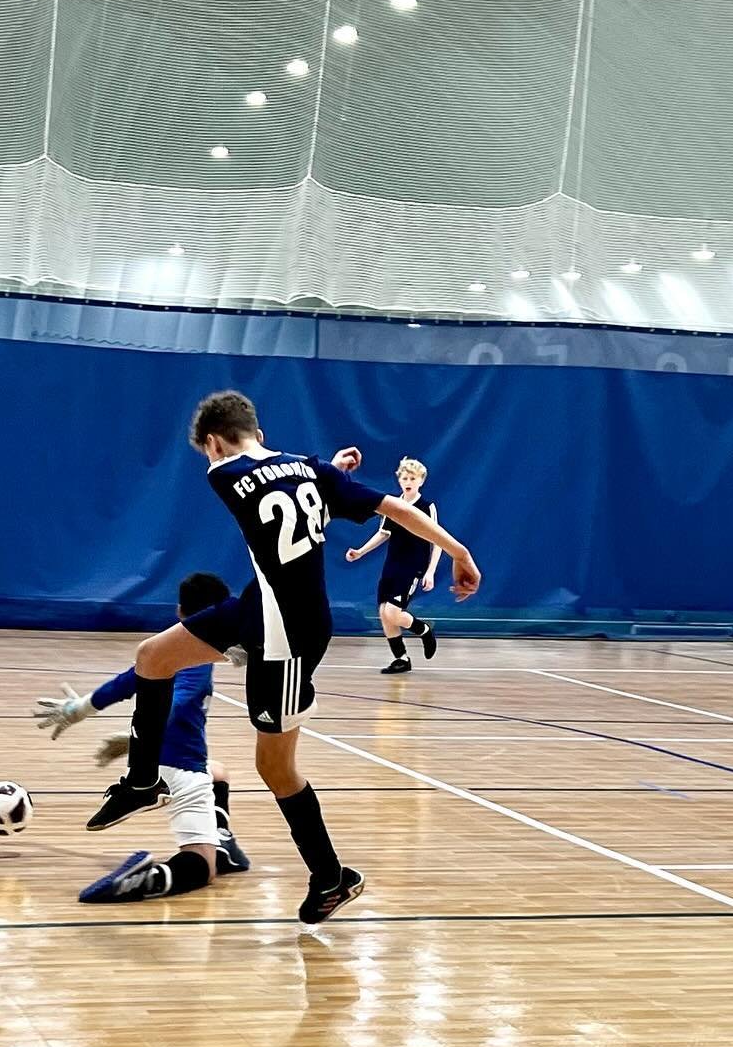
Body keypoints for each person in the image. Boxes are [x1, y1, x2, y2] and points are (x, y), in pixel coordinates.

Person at [85, 391, 481, 924]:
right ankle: (141, 781)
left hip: (288, 636)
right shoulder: (309, 471)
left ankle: (331, 877)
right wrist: (457, 551)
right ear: (260, 432)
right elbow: (393, 508)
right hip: (259, 606)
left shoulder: (222, 473)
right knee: (153, 656)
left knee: (274, 766)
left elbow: (257, 474)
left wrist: (322, 470)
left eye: (208, 451)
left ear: (212, 443)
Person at [35, 572, 251, 902]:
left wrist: (78, 709)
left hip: (167, 763)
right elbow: (179, 704)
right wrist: (140, 741)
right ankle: (144, 878)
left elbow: (125, 681)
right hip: (180, 768)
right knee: (201, 867)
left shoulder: (164, 650)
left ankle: (220, 836)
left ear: (180, 611)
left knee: (218, 771)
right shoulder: (198, 660)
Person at [345, 457, 441, 674]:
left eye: (412, 478)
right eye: (404, 477)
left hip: (412, 566)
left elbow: (438, 541)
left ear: (421, 481)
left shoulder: (427, 507)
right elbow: (383, 533)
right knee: (383, 612)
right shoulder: (394, 505)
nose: (408, 481)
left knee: (393, 612)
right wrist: (360, 551)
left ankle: (423, 630)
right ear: (399, 480)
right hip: (392, 566)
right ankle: (401, 658)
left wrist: (431, 571)